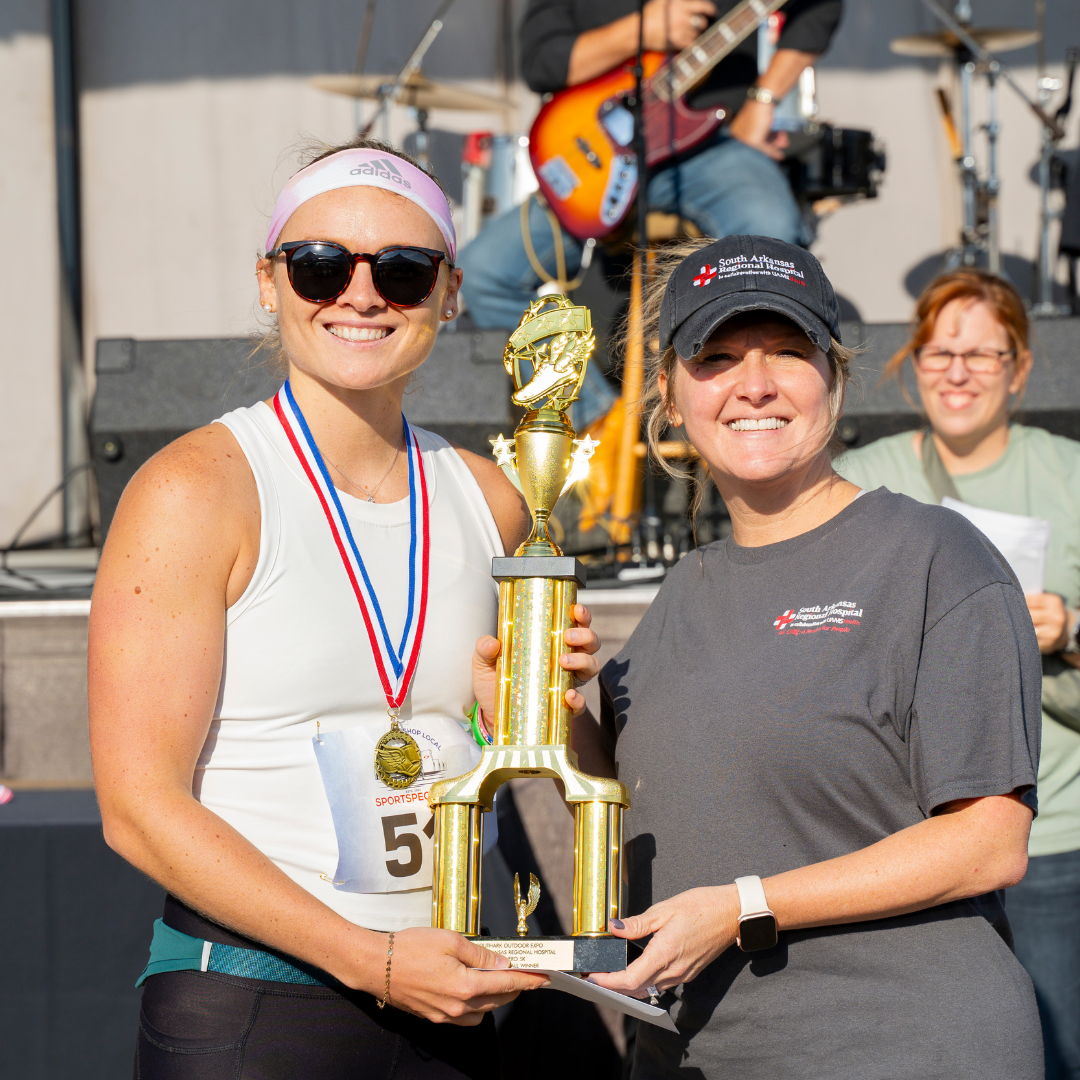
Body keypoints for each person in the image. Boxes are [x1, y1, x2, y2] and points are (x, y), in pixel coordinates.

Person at [88, 137, 604, 1080]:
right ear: (269, 281)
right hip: (254, 1003)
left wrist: (521, 710)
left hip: (445, 994)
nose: (360, 296)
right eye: (321, 264)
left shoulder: (489, 496)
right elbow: (137, 807)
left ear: (449, 295)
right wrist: (372, 960)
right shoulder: (198, 490)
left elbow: (475, 747)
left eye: (402, 273)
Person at [572, 235, 1044, 1078]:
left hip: (901, 1048)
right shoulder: (686, 588)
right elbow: (620, 783)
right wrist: (528, 701)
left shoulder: (935, 556)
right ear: (670, 397)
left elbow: (987, 841)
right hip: (697, 1054)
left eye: (788, 352)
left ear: (836, 377)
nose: (755, 384)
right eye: (715, 357)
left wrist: (747, 907)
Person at [835, 268, 1080, 1080]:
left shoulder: (1069, 476)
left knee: (1055, 1053)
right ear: (912, 361)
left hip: (1048, 835)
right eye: (939, 352)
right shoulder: (862, 481)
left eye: (982, 352)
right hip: (906, 839)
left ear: (1020, 367)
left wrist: (1071, 633)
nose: (959, 371)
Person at [459, 0, 843, 427]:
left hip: (712, 143)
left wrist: (764, 97)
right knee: (484, 271)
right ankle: (600, 424)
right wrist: (642, 29)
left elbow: (821, 10)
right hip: (605, 152)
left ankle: (753, 415)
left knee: (773, 239)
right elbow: (542, 63)